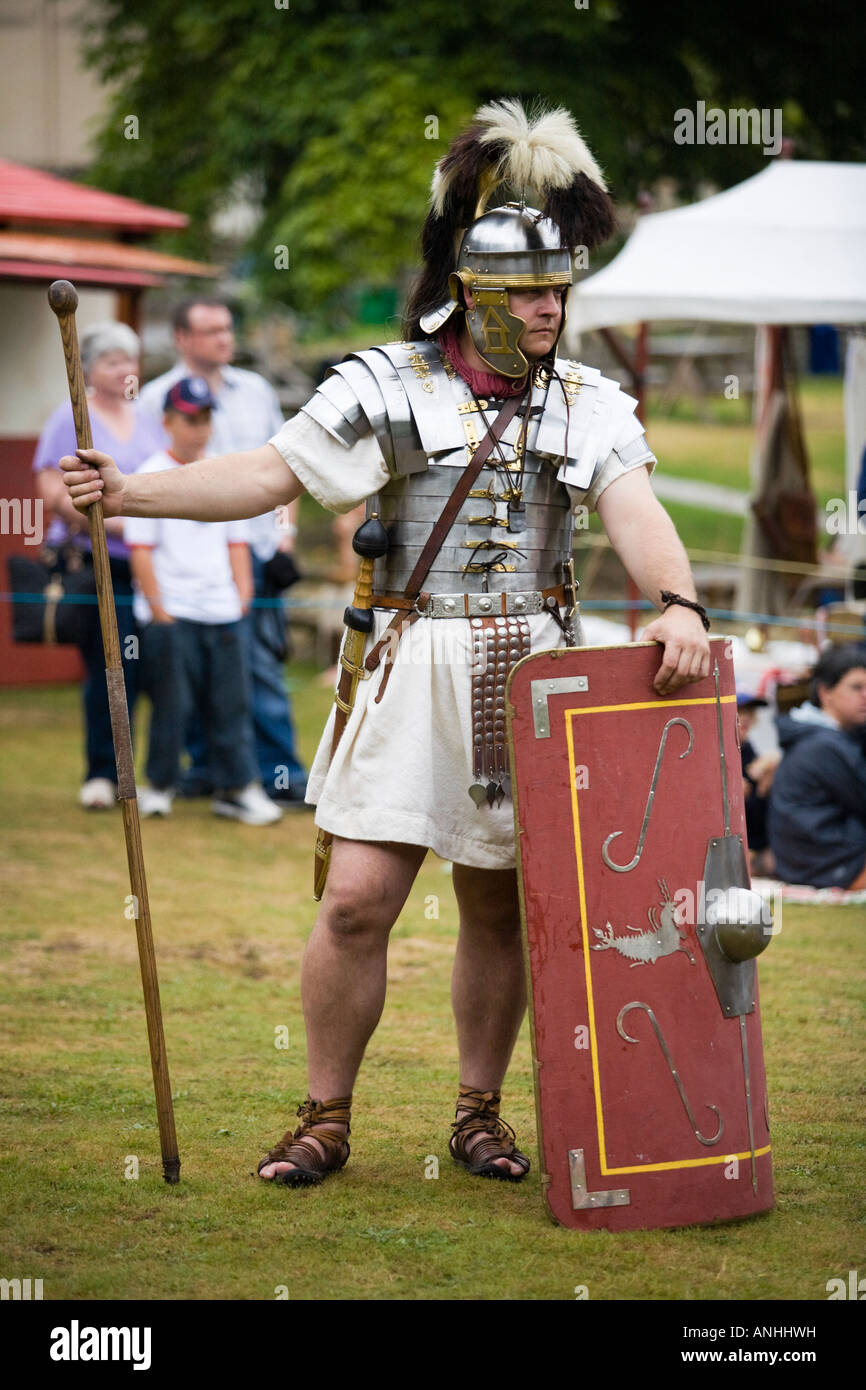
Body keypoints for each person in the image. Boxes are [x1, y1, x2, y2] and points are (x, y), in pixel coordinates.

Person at [60, 100, 711, 1189]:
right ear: (473, 293)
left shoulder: (589, 402)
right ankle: (323, 1113)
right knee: (358, 897)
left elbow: (636, 512)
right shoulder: (386, 384)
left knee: (498, 904)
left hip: (535, 669)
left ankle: (477, 1110)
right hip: (414, 665)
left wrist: (680, 602)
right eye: (527, 295)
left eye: (558, 291)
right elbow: (265, 474)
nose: (549, 311)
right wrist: (131, 492)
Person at [138, 298, 308, 806]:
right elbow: (147, 478)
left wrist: (285, 536)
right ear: (181, 338)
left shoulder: (256, 390)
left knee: (260, 670)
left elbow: (288, 464)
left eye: (228, 329)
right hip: (183, 562)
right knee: (187, 678)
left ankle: (281, 773)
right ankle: (207, 771)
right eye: (211, 330)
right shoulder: (150, 398)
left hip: (250, 549)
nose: (224, 339)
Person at [127, 377, 281, 827]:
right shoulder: (148, 476)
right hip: (173, 612)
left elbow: (237, 541)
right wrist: (160, 611)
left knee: (232, 703)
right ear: (168, 421)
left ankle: (237, 788)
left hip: (223, 611)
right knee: (172, 704)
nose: (200, 427)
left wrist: (243, 598)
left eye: (207, 417)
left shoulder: (220, 474)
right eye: (190, 418)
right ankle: (159, 785)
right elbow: (141, 551)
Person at [33, 322, 164, 808]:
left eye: (129, 360)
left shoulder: (149, 415)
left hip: (150, 563)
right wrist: (111, 524)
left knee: (148, 668)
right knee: (109, 667)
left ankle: (146, 774)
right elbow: (50, 491)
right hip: (99, 564)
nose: (124, 369)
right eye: (112, 361)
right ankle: (101, 774)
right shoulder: (70, 417)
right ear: (87, 368)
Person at [768, 644, 866, 889]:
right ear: (825, 693)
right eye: (856, 687)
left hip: (810, 860)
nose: (865, 695)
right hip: (826, 864)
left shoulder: (816, 735)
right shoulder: (825, 744)